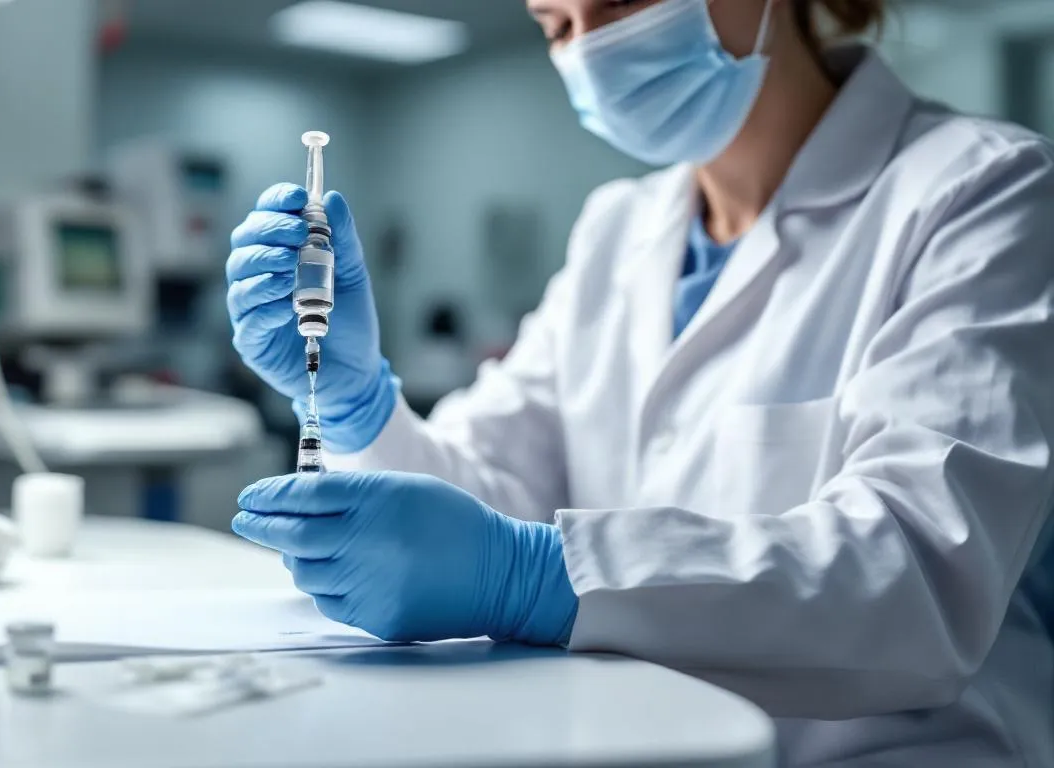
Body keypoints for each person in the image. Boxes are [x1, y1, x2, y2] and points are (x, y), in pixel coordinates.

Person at [225, 0, 1054, 764]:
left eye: (619, 1)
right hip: (635, 739)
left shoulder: (979, 189)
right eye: (556, 25)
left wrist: (533, 574)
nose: (591, 51)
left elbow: (915, 575)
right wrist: (359, 402)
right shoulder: (617, 230)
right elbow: (481, 495)